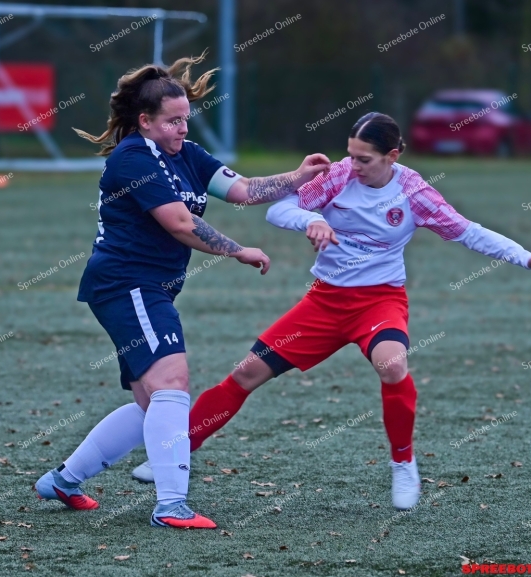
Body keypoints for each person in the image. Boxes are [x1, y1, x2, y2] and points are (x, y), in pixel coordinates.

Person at [130, 112, 531, 511]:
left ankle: (404, 465)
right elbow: (280, 210)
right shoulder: (338, 176)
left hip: (380, 301)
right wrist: (311, 220)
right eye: (351, 155)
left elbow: (466, 231)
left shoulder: (414, 193)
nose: (353, 166)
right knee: (245, 374)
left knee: (392, 366)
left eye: (365, 159)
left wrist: (524, 256)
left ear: (392, 156)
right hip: (324, 302)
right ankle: (176, 453)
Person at [33, 52, 331, 529]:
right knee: (172, 384)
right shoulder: (132, 158)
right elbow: (178, 223)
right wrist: (237, 250)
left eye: (185, 120)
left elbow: (245, 190)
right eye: (172, 122)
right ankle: (171, 505)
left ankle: (63, 481)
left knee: (151, 403)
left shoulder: (186, 154)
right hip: (129, 283)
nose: (182, 130)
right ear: (145, 121)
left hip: (146, 288)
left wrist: (297, 177)